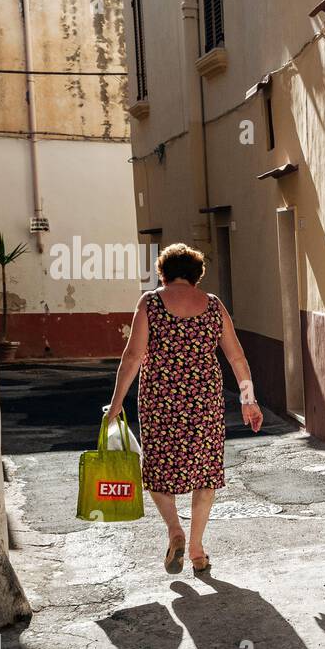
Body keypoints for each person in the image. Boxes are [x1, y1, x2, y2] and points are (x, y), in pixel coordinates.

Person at [107, 243, 263, 575]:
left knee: (159, 470)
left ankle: (174, 531)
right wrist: (248, 400)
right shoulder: (214, 305)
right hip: (204, 401)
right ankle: (196, 548)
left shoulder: (150, 303)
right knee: (205, 472)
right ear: (197, 275)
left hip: (160, 401)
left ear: (163, 273)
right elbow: (237, 357)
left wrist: (116, 403)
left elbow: (133, 357)